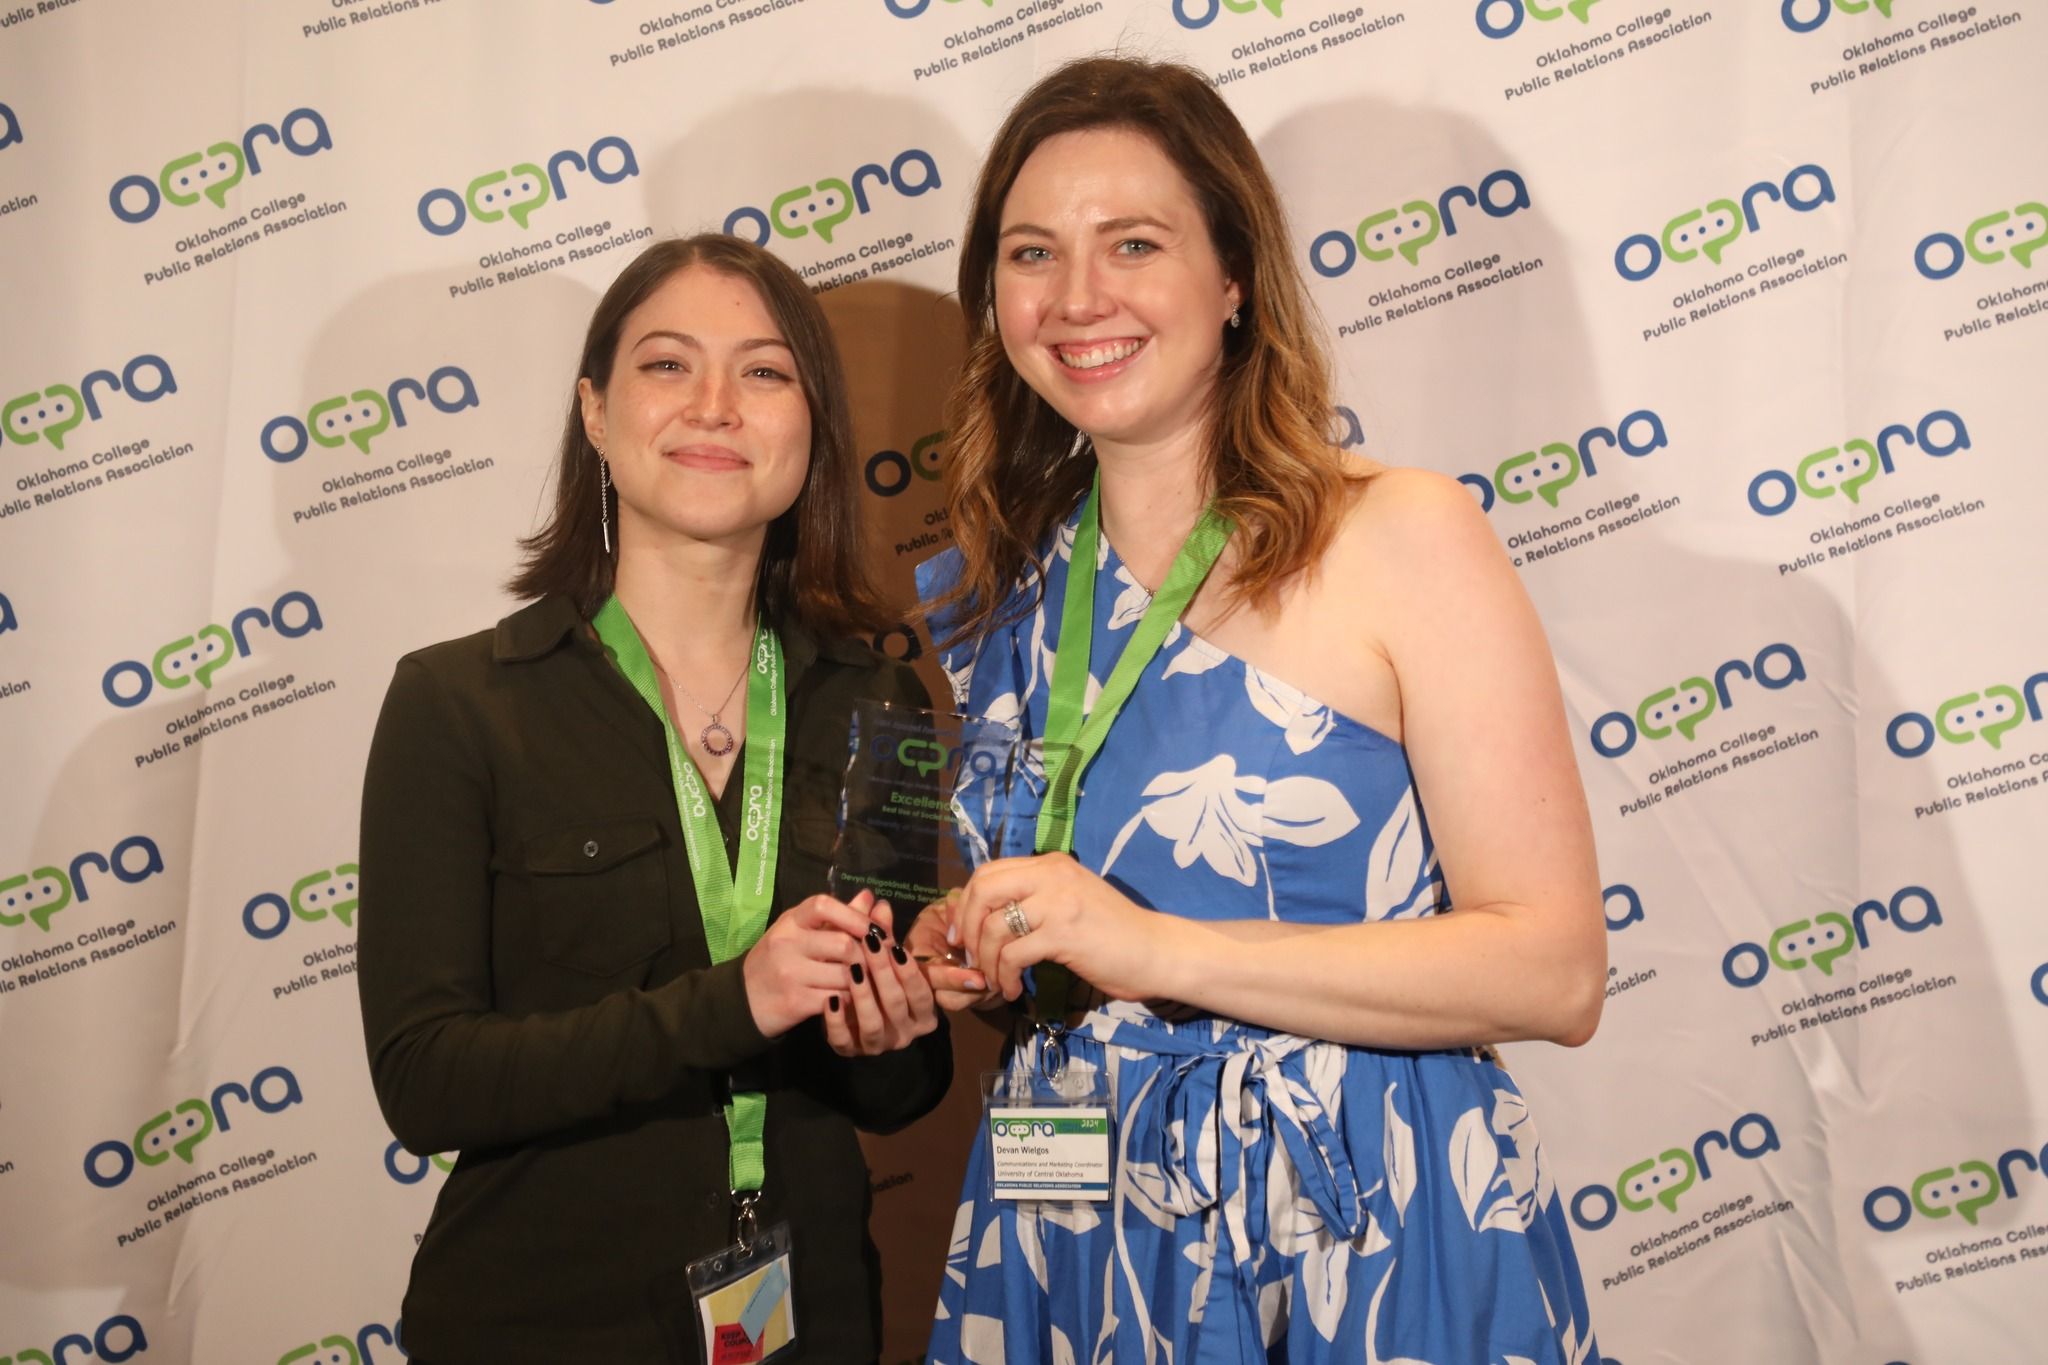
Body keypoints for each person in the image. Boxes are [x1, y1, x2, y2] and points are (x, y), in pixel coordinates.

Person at [908, 58, 1606, 1364]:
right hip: (1073, 1221)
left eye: (1134, 243)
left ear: (1234, 278)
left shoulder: (1397, 532)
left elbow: (1555, 969)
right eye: (1031, 253)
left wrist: (1150, 945)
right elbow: (1082, 922)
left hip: (1360, 1226)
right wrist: (998, 944)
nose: (1078, 298)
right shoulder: (1006, 594)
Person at [358, 234, 950, 1363]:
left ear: (812, 424)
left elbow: (898, 1094)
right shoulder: (457, 703)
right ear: (593, 411)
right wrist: (737, 1001)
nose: (716, 406)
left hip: (806, 1316)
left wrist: (889, 1032)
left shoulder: (878, 698)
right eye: (668, 365)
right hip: (538, 1323)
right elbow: (425, 1080)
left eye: (765, 372)